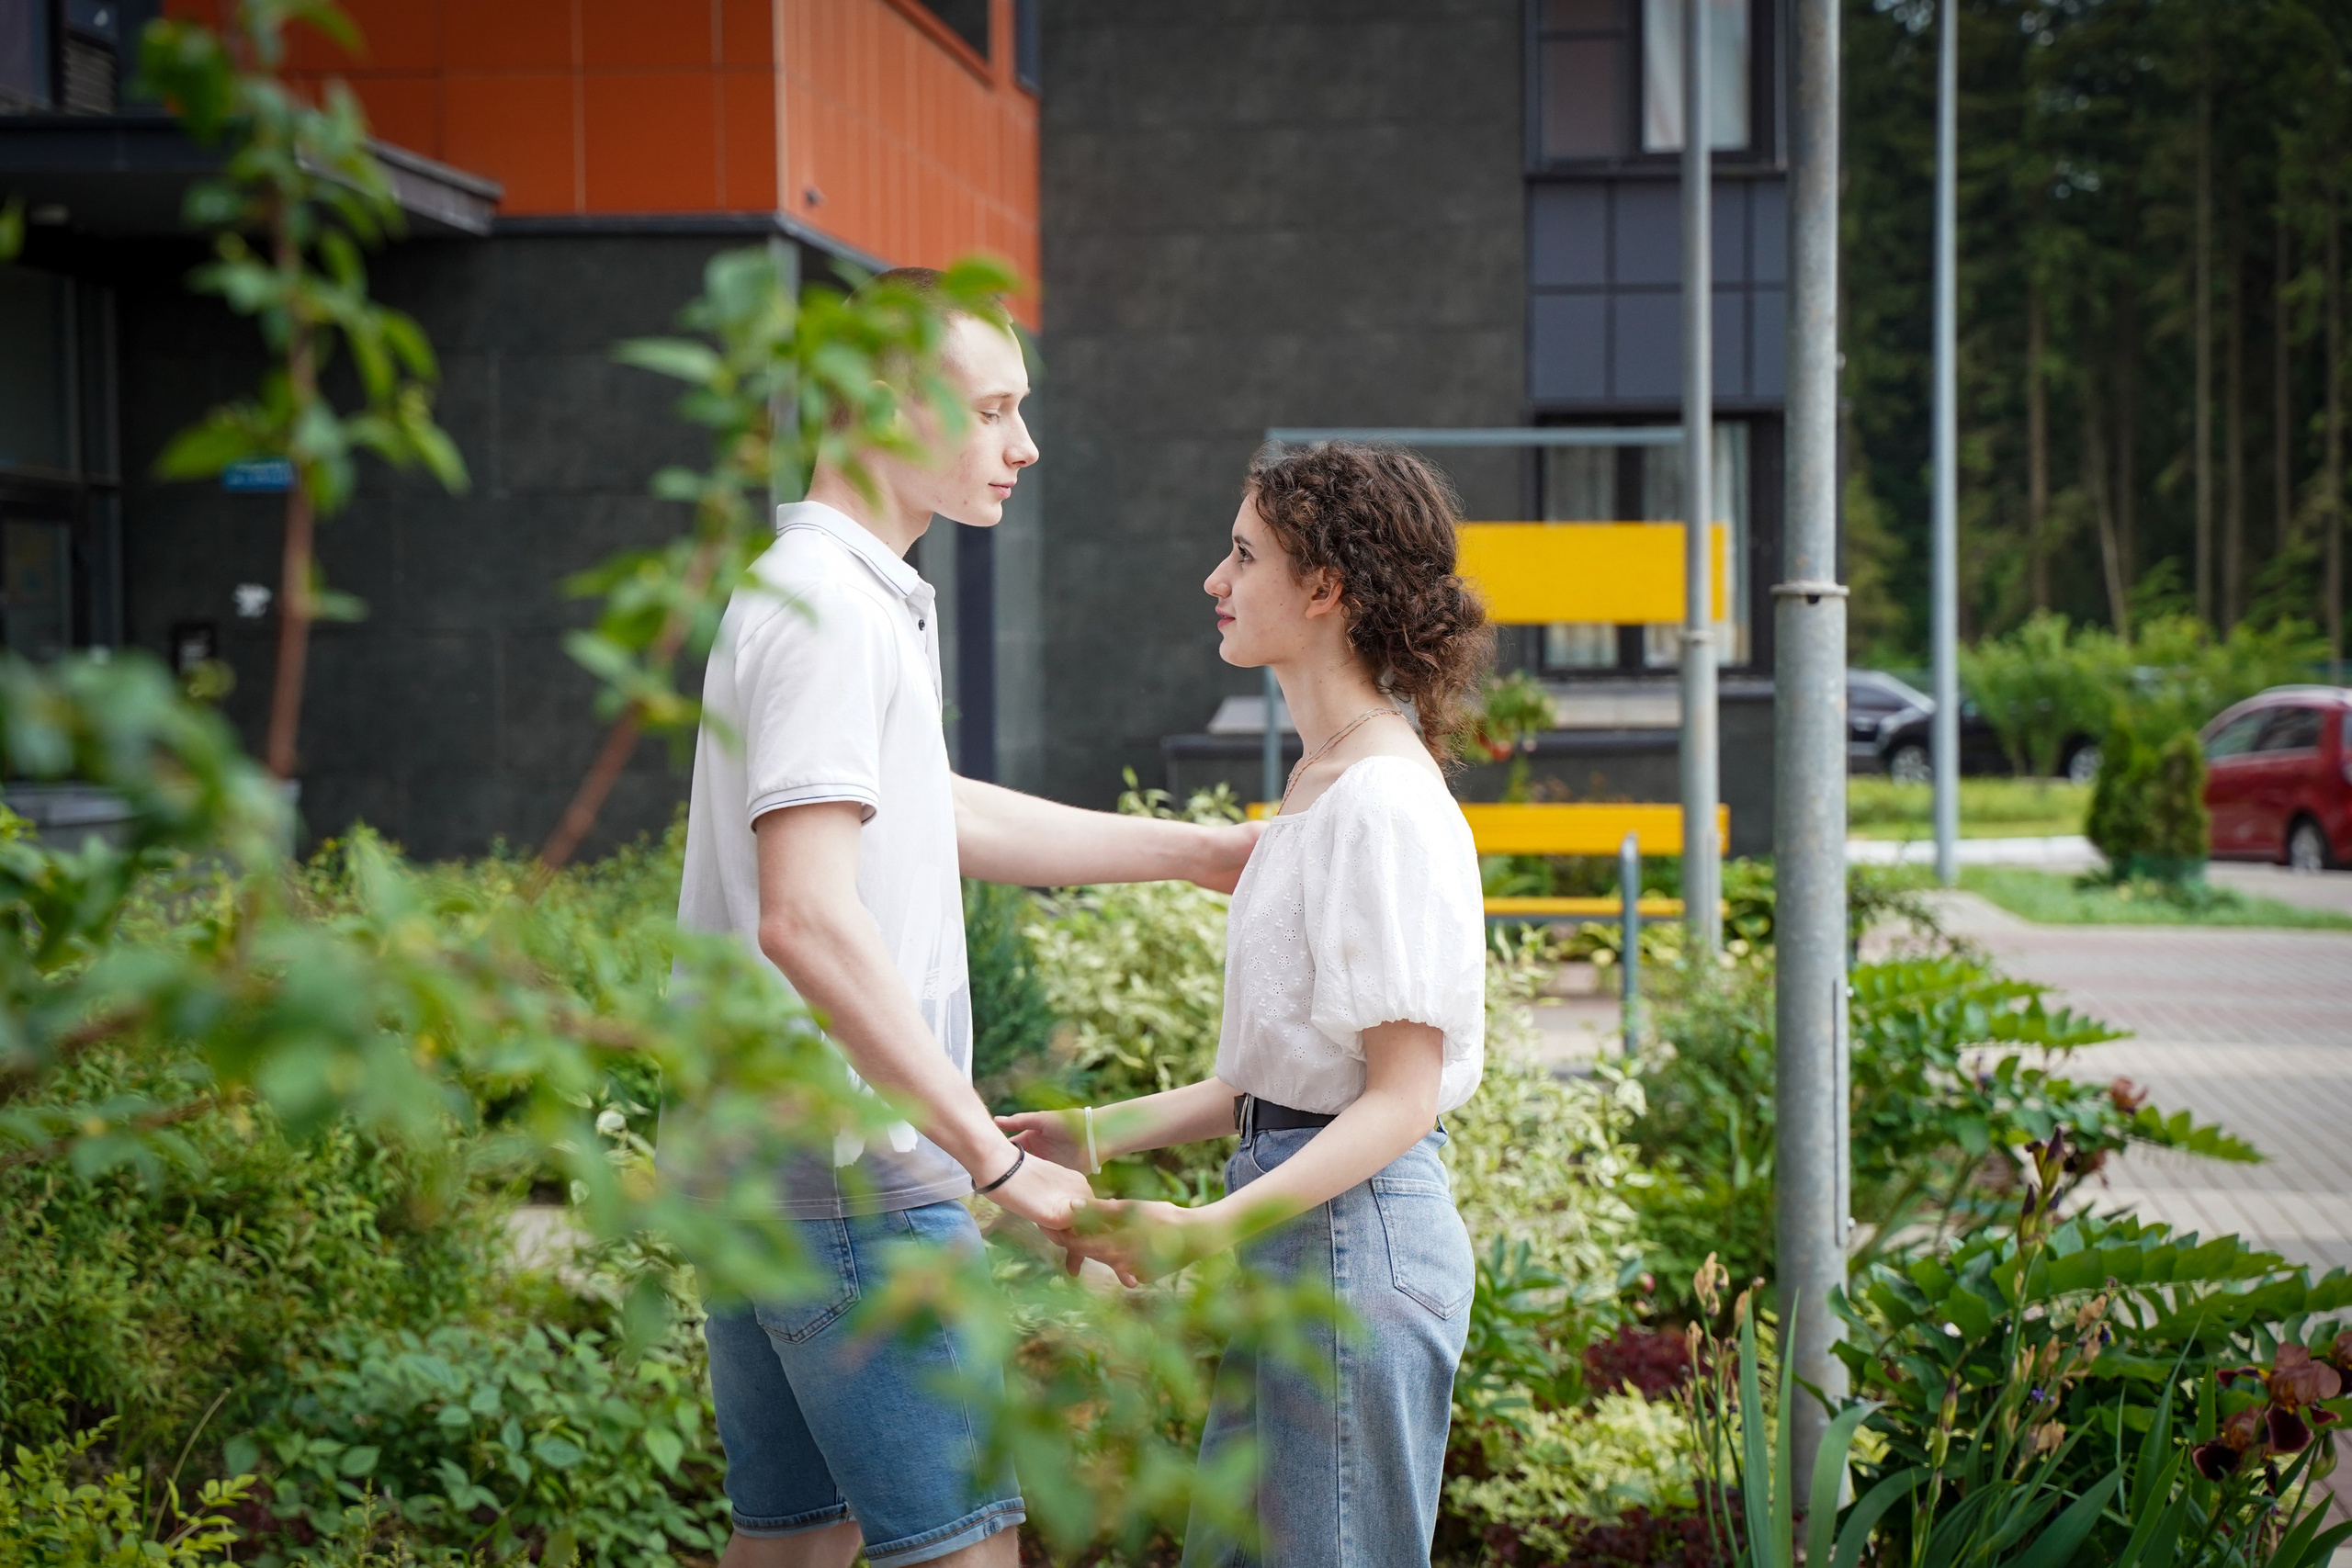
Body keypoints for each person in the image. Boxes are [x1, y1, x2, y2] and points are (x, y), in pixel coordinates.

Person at [667, 268, 1262, 1568]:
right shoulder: (830, 608)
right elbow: (807, 919)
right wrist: (994, 1162)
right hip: (851, 1179)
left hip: (761, 1170)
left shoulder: (828, 586)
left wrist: (1202, 851)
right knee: (962, 1553)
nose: (1024, 442)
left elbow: (930, 811)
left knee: (794, 1548)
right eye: (992, 408)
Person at [999, 443, 1494, 1568]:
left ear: (1324, 589)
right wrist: (1099, 1132)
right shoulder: (1325, 783)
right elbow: (1274, 1082)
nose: (1213, 581)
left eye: (1242, 554)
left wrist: (1203, 1230)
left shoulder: (1380, 799)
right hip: (1304, 1238)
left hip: (1349, 1245)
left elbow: (1400, 1099)